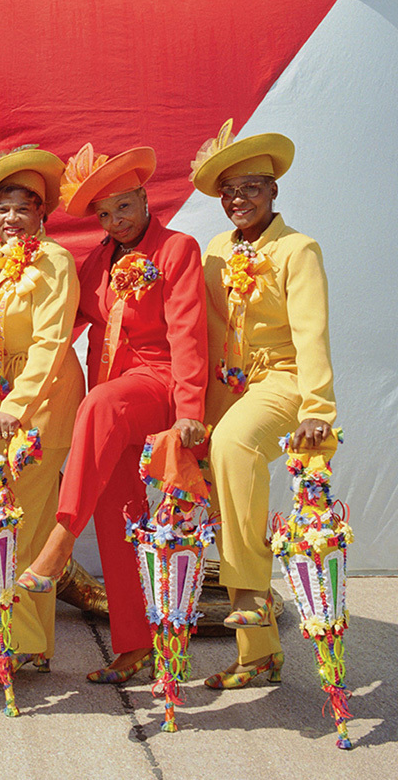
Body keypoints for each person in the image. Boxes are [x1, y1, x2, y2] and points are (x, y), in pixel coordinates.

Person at [19, 144, 208, 683]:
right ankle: (133, 645)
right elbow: (61, 322)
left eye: (123, 208)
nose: (114, 222)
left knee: (98, 402)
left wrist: (191, 409)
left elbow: (188, 334)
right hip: (111, 405)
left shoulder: (177, 250)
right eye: (103, 214)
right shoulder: (98, 260)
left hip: (157, 386)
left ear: (145, 198)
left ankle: (58, 544)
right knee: (117, 518)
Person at [189, 120, 335, 688]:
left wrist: (318, 408)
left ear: (274, 191)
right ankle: (259, 655)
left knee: (235, 441)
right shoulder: (215, 253)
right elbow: (199, 331)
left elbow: (312, 333)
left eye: (251, 187)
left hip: (286, 381)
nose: (238, 199)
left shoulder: (298, 250)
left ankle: (249, 592)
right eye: (228, 191)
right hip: (229, 388)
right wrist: (193, 408)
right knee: (222, 487)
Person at [0, 147, 84, 677]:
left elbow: (51, 343)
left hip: (41, 408)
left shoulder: (54, 260)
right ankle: (32, 646)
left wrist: (14, 406)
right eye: (3, 209)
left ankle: (16, 645)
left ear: (42, 215)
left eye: (22, 208)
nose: (11, 219)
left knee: (12, 524)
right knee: (26, 529)